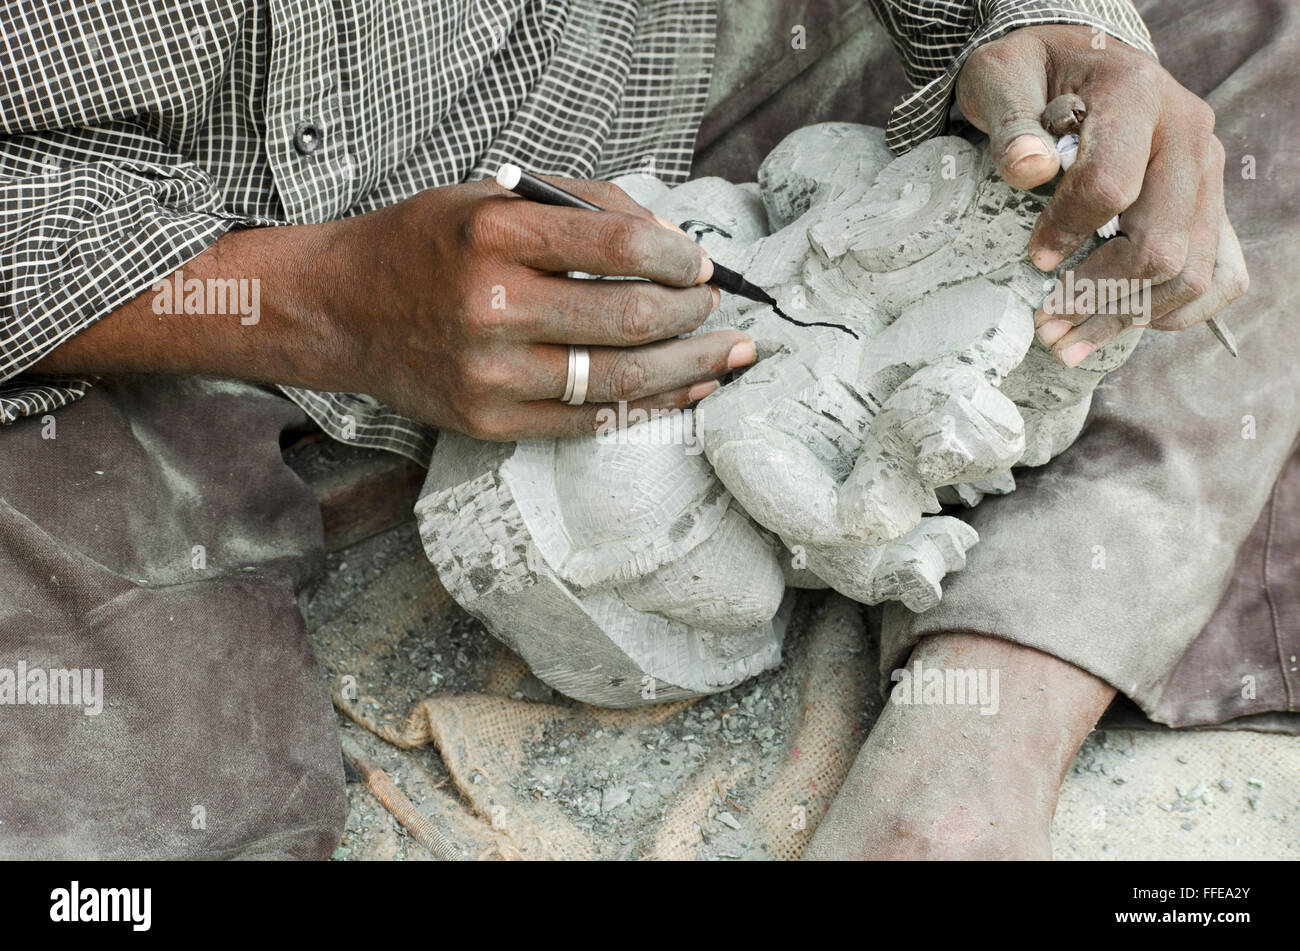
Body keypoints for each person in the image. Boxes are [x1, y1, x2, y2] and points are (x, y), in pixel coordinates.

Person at [0, 0, 1287, 859]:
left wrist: (1043, 26)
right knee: (99, 838)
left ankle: (982, 724)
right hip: (106, 313)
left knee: (1215, 105)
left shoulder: (884, 259)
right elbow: (766, 454)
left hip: (619, 141)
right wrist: (309, 300)